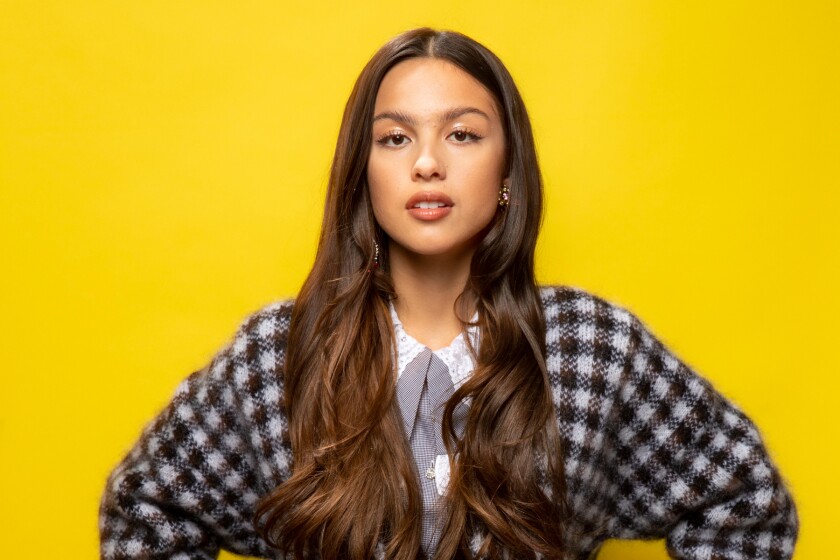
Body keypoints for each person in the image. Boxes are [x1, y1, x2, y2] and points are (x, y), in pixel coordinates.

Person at [99, 28, 797, 560]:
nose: (428, 162)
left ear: (507, 172)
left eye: (462, 134)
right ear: (362, 175)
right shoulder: (278, 355)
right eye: (396, 138)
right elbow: (145, 511)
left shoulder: (592, 347)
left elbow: (745, 503)